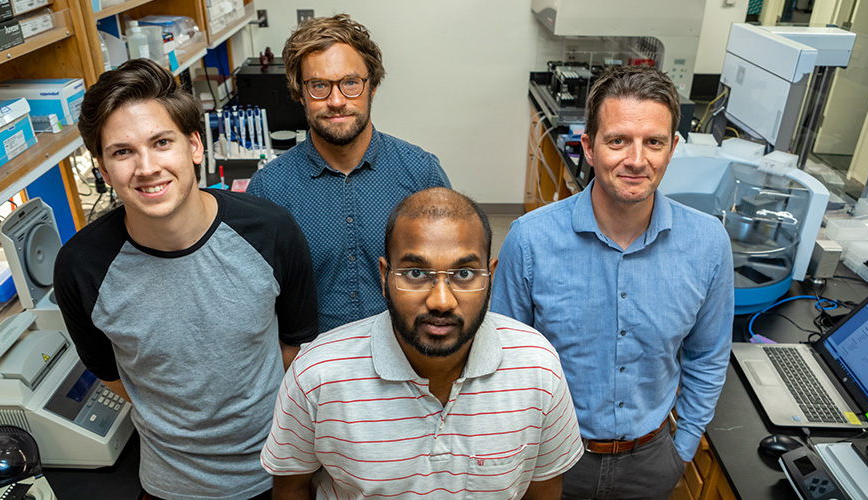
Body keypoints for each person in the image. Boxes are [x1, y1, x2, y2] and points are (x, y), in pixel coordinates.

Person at [54, 59, 318, 500]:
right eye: (122, 152)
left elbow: (294, 346)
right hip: (169, 486)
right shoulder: (81, 267)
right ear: (102, 169)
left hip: (277, 476)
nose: (147, 167)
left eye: (161, 142)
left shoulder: (271, 232)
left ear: (195, 145)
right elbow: (109, 372)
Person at [492, 66, 734, 500]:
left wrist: (680, 450)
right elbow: (501, 363)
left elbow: (708, 356)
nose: (637, 160)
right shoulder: (530, 241)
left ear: (673, 148)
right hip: (549, 459)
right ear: (588, 146)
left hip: (653, 461)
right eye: (618, 140)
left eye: (654, 142)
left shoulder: (708, 243)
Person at [261, 187, 584, 499]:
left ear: (490, 276)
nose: (441, 301)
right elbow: (292, 486)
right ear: (385, 277)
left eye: (464, 274)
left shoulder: (538, 366)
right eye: (416, 273)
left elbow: (542, 489)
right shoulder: (317, 373)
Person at [246, 14, 451, 333]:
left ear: (372, 86)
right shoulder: (269, 190)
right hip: (314, 370)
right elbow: (259, 304)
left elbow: (449, 278)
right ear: (300, 93)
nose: (337, 101)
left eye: (351, 83)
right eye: (318, 86)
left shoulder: (420, 173)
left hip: (408, 358)